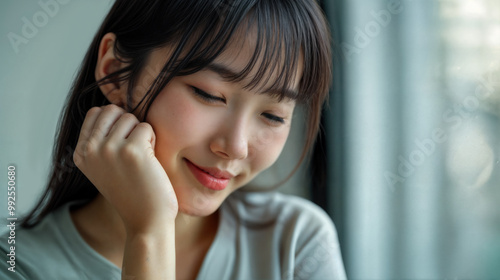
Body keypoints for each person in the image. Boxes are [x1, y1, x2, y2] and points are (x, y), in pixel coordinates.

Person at [1, 0, 346, 279]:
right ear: (113, 70)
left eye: (273, 116)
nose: (235, 146)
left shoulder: (295, 242)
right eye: (208, 94)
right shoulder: (18, 265)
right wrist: (149, 231)